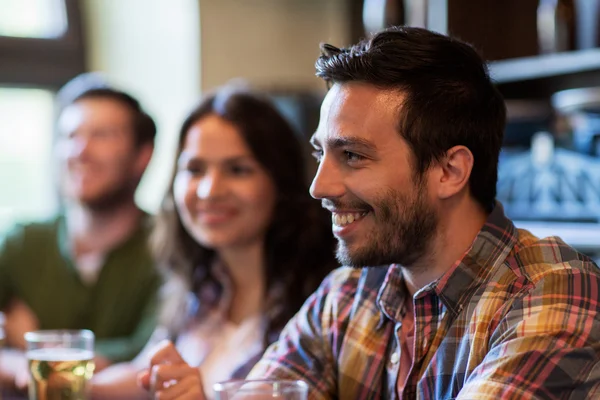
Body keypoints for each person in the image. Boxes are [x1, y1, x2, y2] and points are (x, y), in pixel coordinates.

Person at [144, 26, 600, 399]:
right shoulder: (346, 297)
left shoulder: (552, 291)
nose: (319, 186)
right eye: (321, 153)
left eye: (353, 156)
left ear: (450, 170)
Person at [89, 85, 338, 399]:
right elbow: (145, 378)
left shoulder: (322, 302)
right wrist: (69, 384)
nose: (209, 191)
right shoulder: (200, 286)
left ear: (281, 181)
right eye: (195, 169)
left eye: (237, 170)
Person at [0, 74, 161, 389]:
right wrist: (15, 361)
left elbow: (151, 354)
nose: (80, 150)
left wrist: (36, 349)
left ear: (142, 156)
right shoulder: (22, 241)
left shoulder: (169, 247)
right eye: (69, 135)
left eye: (102, 135)